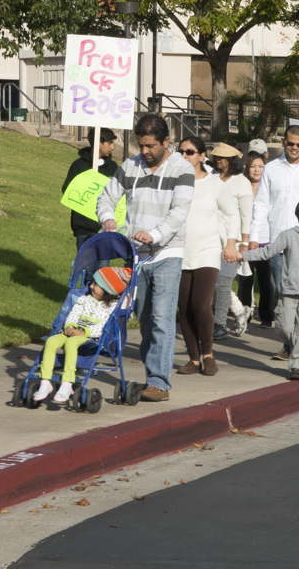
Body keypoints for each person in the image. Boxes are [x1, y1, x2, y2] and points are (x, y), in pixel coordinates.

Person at [97, 114, 194, 402]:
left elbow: (179, 212)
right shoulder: (130, 165)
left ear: (166, 141)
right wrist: (107, 220)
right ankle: (154, 372)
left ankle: (159, 383)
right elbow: (106, 198)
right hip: (135, 256)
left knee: (162, 318)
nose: (145, 151)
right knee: (145, 320)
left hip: (168, 252)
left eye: (150, 146)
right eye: (141, 145)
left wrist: (155, 234)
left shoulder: (182, 169)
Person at [248, 124, 299, 361]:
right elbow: (261, 204)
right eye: (290, 143)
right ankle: (291, 344)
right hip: (278, 242)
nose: (294, 148)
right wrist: (254, 237)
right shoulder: (271, 169)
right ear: (283, 142)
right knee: (284, 296)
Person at [232, 198, 299, 381]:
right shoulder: (287, 236)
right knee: (283, 327)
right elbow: (266, 252)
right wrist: (242, 255)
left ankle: (298, 366)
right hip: (288, 293)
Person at [176, 137, 241, 376]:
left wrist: (231, 243)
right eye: (180, 151)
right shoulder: (173, 182)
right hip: (179, 251)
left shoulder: (214, 183)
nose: (184, 156)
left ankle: (208, 354)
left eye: (190, 152)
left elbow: (232, 213)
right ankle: (193, 358)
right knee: (184, 307)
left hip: (208, 250)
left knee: (201, 304)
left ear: (202, 156)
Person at [33, 266, 131, 403]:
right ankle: (45, 382)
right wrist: (69, 326)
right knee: (51, 341)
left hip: (92, 338)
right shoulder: (84, 299)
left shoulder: (112, 307)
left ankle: (67, 383)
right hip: (72, 332)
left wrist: (85, 332)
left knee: (71, 343)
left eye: (95, 284)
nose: (90, 286)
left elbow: (105, 326)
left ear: (108, 290)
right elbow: (73, 314)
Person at [210, 142, 253, 340]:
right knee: (214, 283)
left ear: (232, 159)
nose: (218, 160)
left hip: (232, 240)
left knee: (223, 284)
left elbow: (246, 214)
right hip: (210, 238)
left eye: (222, 157)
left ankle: (219, 324)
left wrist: (243, 244)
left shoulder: (241, 181)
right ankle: (239, 310)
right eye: (216, 157)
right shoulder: (211, 178)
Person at [236, 152, 277, 329]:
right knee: (245, 279)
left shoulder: (270, 187)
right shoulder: (242, 187)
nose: (257, 169)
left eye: (260, 166)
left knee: (266, 280)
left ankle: (267, 316)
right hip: (245, 241)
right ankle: (244, 313)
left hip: (266, 240)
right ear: (247, 168)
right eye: (253, 166)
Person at [62, 127, 118, 251]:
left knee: (102, 268)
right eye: (110, 143)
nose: (113, 147)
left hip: (104, 229)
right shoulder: (78, 166)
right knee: (85, 268)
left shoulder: (113, 167)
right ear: (99, 143)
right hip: (84, 229)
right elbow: (67, 191)